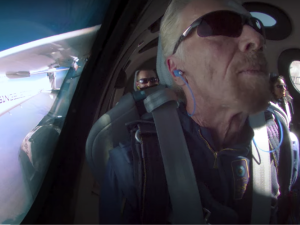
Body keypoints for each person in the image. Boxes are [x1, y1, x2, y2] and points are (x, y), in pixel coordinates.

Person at [99, 0, 300, 223]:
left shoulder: (281, 141)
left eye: (255, 25)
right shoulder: (133, 167)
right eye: (221, 24)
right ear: (175, 69)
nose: (257, 39)